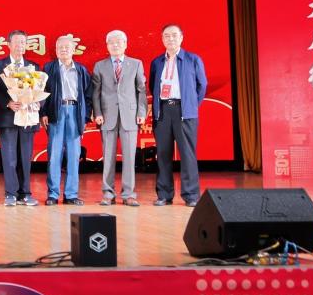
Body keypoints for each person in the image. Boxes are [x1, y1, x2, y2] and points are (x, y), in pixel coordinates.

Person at [150, 24, 208, 207]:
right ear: (162, 39)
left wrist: (191, 105)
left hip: (185, 112)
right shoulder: (157, 62)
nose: (171, 39)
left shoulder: (193, 59)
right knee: (163, 154)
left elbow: (202, 85)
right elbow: (153, 85)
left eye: (174, 35)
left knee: (188, 155)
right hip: (163, 111)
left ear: (181, 37)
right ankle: (164, 195)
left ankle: (191, 195)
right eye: (167, 36)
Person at [91, 29, 148, 206]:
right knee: (108, 157)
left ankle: (129, 194)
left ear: (125, 44)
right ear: (107, 46)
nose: (115, 45)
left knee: (130, 157)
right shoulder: (100, 66)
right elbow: (95, 93)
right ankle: (108, 193)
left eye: (119, 42)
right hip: (107, 116)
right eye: (112, 42)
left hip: (130, 116)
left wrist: (141, 113)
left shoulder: (136, 64)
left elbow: (141, 90)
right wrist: (97, 112)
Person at [0, 30, 42, 207]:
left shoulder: (34, 66)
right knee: (9, 157)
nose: (20, 46)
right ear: (9, 45)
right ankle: (10, 193)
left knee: (25, 157)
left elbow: (41, 90)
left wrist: (36, 102)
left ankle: (25, 193)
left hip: (28, 117)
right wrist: (8, 103)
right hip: (7, 118)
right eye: (17, 42)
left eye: (23, 42)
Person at [41, 35, 93, 206]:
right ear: (56, 51)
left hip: (75, 111)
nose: (63, 50)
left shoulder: (81, 70)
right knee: (54, 154)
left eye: (66, 47)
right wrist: (43, 112)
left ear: (73, 50)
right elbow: (42, 92)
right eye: (60, 47)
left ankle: (71, 194)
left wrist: (85, 116)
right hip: (56, 112)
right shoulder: (48, 68)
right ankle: (53, 194)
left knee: (73, 154)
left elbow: (88, 94)